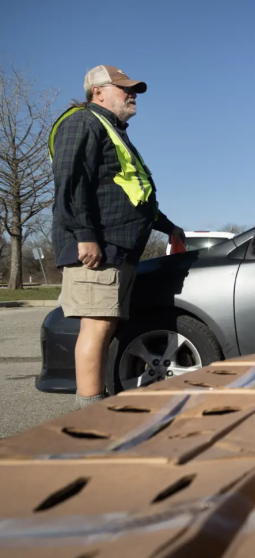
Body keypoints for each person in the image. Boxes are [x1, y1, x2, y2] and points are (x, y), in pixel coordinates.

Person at [49, 65, 185, 408]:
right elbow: (72, 182)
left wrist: (167, 226)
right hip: (98, 248)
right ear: (98, 92)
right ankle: (91, 416)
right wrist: (85, 236)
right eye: (124, 87)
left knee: (105, 329)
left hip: (115, 248)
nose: (132, 93)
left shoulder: (112, 130)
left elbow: (130, 194)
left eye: (133, 88)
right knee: (96, 329)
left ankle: (100, 404)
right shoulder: (83, 122)